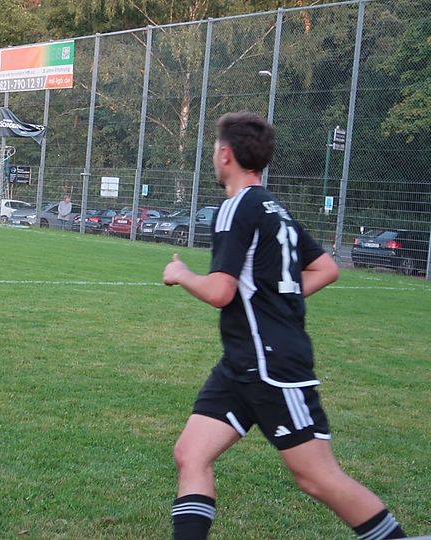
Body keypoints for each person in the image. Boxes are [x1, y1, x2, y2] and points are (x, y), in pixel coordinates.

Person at [162, 112, 406, 540]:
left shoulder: (236, 208)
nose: (214, 156)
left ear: (226, 155)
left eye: (215, 150)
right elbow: (326, 268)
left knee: (318, 478)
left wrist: (182, 275)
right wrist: (275, 300)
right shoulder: (274, 208)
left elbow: (220, 291)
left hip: (271, 365)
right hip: (241, 364)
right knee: (190, 454)